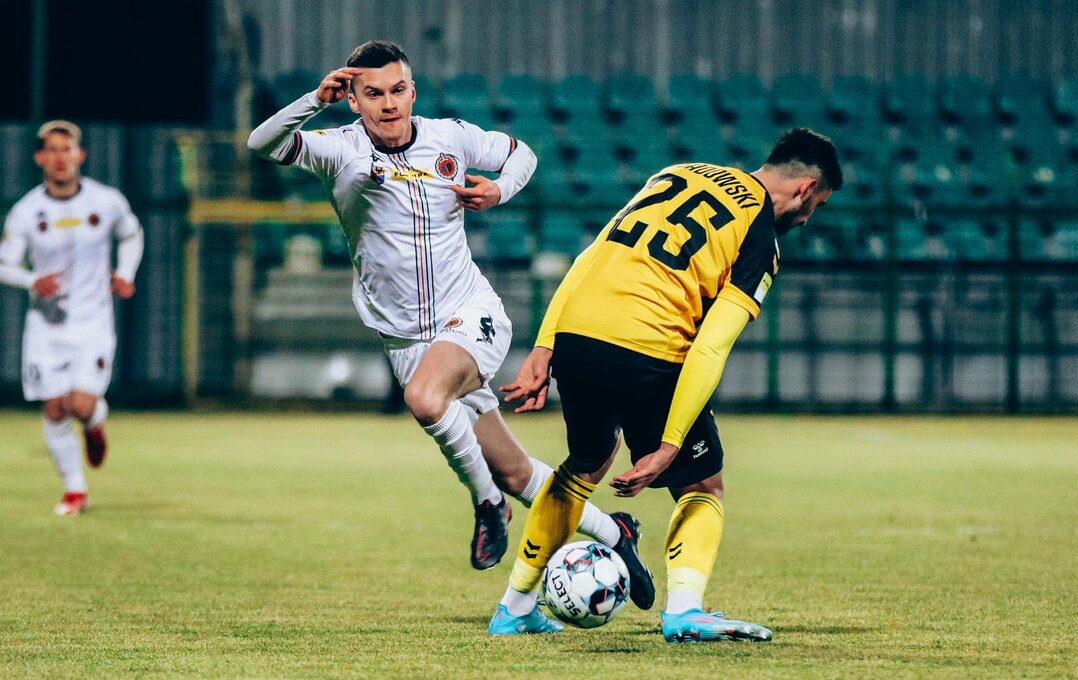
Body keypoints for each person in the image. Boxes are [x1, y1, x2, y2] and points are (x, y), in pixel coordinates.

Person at [246, 40, 654, 608]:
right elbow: (261, 143)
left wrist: (499, 188)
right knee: (516, 471)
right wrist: (314, 101)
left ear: (412, 91)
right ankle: (615, 533)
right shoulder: (338, 150)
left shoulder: (451, 138)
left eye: (397, 90)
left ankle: (487, 505)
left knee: (423, 398)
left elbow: (521, 154)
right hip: (405, 338)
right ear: (353, 100)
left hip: (470, 313)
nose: (389, 103)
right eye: (373, 94)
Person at [488, 128, 843, 639]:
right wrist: (670, 445)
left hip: (577, 337)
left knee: (584, 465)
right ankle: (684, 611)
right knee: (702, 486)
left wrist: (545, 345)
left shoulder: (677, 174)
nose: (809, 219)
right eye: (818, 206)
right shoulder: (759, 234)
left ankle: (515, 608)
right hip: (648, 345)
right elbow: (710, 347)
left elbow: (590, 257)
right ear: (806, 189)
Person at [0, 120, 144, 516]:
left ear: (80, 155)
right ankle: (75, 490)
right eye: (52, 150)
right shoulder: (26, 212)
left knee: (79, 405)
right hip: (45, 326)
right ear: (39, 158)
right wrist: (32, 280)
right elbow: (4, 264)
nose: (60, 157)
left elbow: (131, 234)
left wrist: (125, 273)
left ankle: (94, 424)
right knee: (54, 409)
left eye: (67, 149)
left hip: (93, 321)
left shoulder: (106, 201)